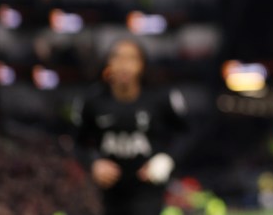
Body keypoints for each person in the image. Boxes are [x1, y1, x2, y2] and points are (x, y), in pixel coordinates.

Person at [71, 37, 191, 215]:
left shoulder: (161, 98)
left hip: (148, 189)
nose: (123, 64)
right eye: (117, 57)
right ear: (108, 63)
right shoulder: (92, 101)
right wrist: (93, 163)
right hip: (107, 192)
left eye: (131, 58)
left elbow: (187, 133)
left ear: (142, 65)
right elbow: (77, 142)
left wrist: (167, 159)